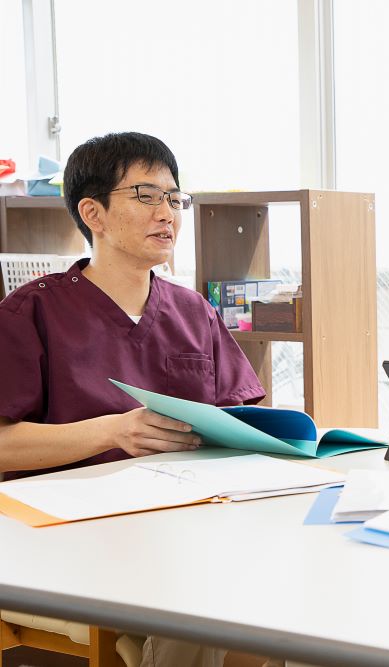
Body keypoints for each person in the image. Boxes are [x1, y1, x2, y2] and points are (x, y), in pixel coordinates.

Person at [0, 132, 266, 666]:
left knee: (278, 580)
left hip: (181, 518)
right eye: (145, 196)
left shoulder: (194, 311)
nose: (166, 213)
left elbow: (241, 419)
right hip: (69, 535)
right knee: (196, 597)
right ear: (93, 213)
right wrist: (113, 430)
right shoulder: (30, 312)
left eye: (174, 198)